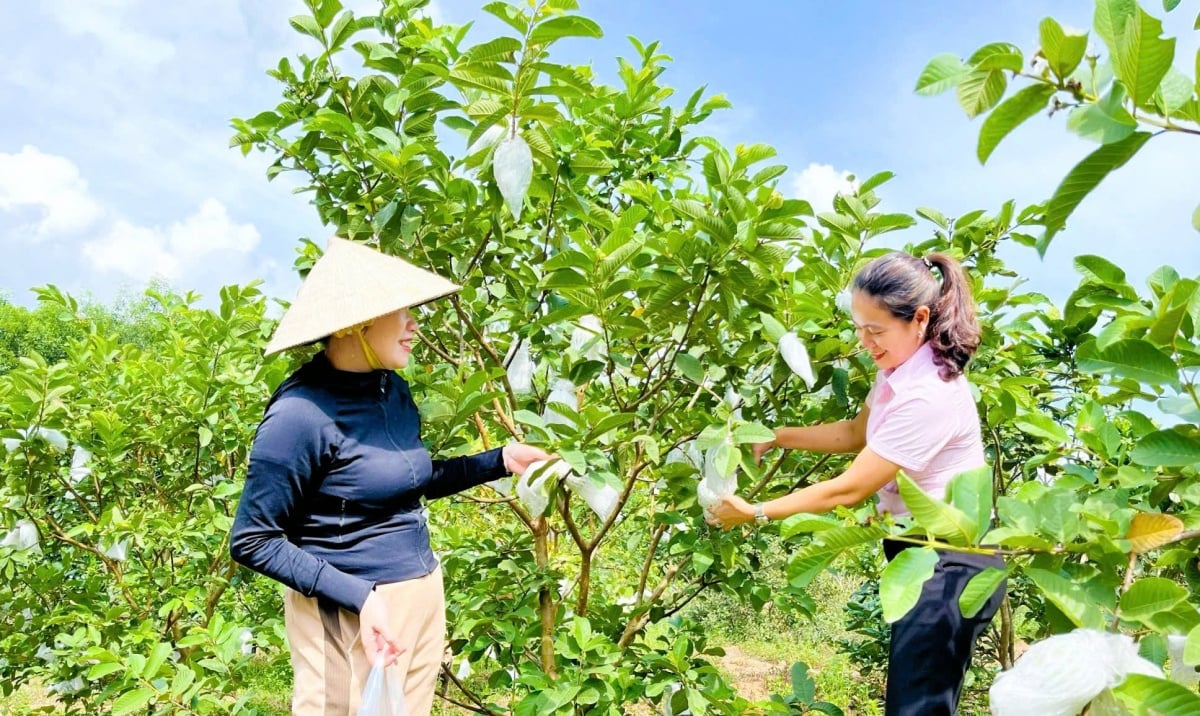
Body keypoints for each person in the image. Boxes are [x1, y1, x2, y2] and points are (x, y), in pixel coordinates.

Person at [230, 236, 551, 716]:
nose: (413, 325)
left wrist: (499, 459)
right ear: (356, 323)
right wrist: (360, 598)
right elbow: (253, 540)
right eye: (400, 312)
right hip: (348, 609)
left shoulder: (392, 390)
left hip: (418, 596)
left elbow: (406, 480)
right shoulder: (300, 415)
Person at [706, 251, 1005, 716]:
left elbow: (850, 488)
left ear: (920, 319)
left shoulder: (930, 393)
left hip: (952, 567)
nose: (865, 342)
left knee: (914, 711)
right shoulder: (897, 370)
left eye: (876, 330)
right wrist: (774, 436)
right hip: (921, 558)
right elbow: (854, 434)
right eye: (859, 328)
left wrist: (755, 512)